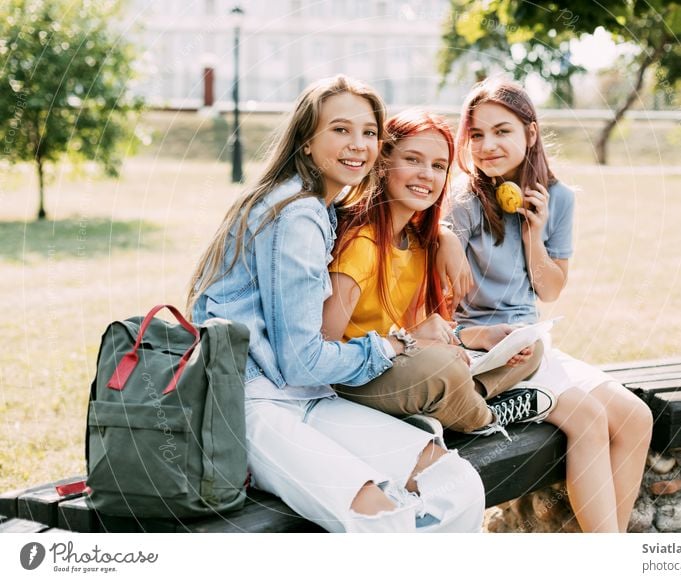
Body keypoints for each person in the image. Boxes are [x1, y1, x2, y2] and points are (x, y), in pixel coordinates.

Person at [186, 75, 484, 533]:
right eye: (340, 130)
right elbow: (303, 361)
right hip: (253, 403)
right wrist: (398, 344)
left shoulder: (320, 206)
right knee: (384, 517)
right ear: (307, 140)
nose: (358, 145)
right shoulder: (298, 213)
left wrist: (442, 234)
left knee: (457, 485)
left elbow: (395, 212)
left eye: (368, 133)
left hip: (308, 397)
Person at [446, 77, 653, 533]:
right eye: (476, 134)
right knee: (588, 417)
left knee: (636, 417)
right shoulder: (459, 204)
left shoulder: (555, 198)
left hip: (533, 342)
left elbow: (551, 290)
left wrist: (532, 235)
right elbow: (444, 304)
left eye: (502, 131)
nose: (487, 145)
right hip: (484, 353)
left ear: (530, 133)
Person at [323, 109, 556, 438]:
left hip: (404, 363)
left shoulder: (419, 243)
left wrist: (477, 338)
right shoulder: (360, 246)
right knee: (441, 370)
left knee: (529, 346)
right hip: (354, 379)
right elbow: (324, 354)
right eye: (413, 160)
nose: (426, 175)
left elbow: (419, 334)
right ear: (383, 162)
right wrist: (417, 340)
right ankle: (485, 418)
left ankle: (450, 405)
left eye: (437, 166)